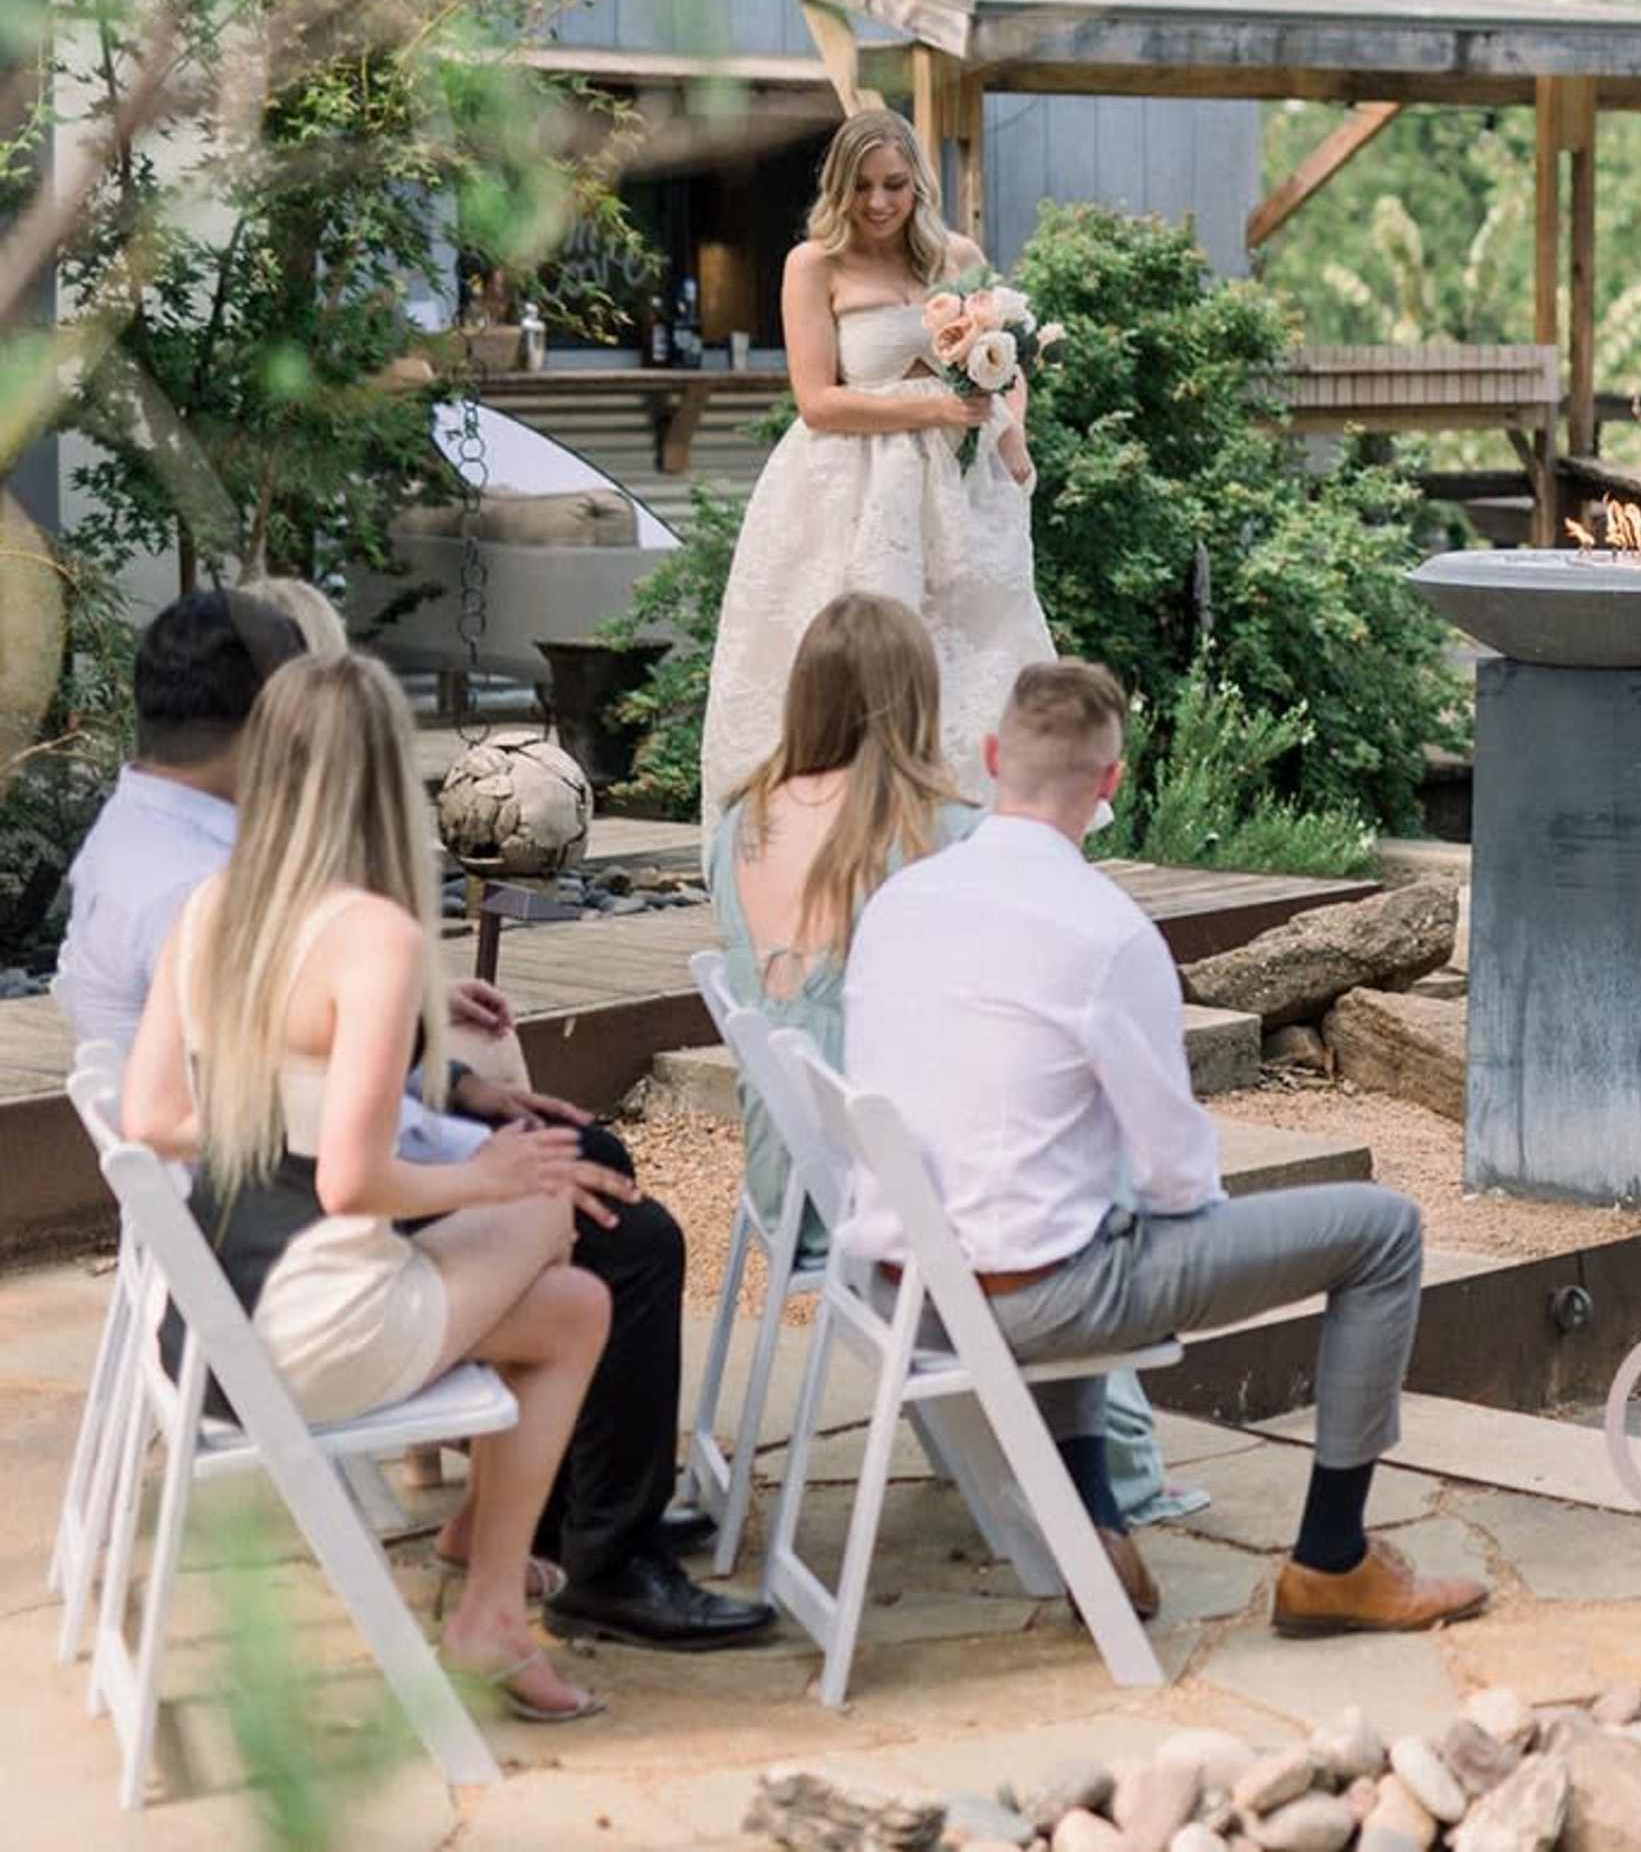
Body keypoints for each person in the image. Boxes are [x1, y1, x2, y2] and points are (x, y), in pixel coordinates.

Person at [56, 589, 774, 1650]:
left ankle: (531, 1530)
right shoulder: (213, 885)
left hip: (214, 1272)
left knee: (579, 1187)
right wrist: (469, 1151)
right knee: (616, 1226)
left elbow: (245, 1065)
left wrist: (442, 1075)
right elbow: (322, 1144)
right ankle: (601, 1552)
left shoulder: (188, 860)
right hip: (288, 1263)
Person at [834, 659, 1482, 1634]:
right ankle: (1333, 1562)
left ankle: (1095, 1520)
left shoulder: (897, 903)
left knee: (1081, 1207)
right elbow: (1181, 1173)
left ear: (991, 758)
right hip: (1025, 1300)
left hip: (898, 1282)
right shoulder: (1109, 934)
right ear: (1111, 783)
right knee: (1382, 1231)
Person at [117, 651, 624, 1720]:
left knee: (576, 1306)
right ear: (388, 777)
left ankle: (489, 1595)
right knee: (554, 1197)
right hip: (309, 1332)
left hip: (202, 1324)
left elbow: (150, 1117)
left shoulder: (212, 905)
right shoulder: (373, 937)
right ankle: (491, 1593)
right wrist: (486, 1176)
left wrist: (278, 1114)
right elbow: (352, 1182)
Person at [705, 591, 1199, 1530]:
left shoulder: (740, 824)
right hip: (877, 1185)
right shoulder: (943, 832)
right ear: (916, 701)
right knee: (1076, 1175)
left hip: (788, 1168)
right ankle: (1118, 1478)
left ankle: (1052, 1450)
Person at [699, 105, 1053, 823]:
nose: (880, 202)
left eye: (894, 184)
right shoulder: (813, 264)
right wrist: (933, 410)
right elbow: (819, 402)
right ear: (839, 188)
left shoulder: (955, 256)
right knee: (862, 654)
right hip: (851, 490)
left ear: (917, 182)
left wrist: (1014, 436)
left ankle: (976, 827)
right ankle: (845, 830)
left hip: (959, 486)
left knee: (971, 650)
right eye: (862, 187)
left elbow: (1004, 360)